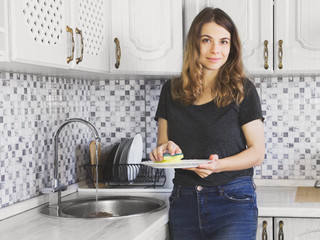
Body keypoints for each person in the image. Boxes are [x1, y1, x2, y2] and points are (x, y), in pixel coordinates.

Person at [149, 7, 265, 240]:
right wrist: (164, 151)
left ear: (232, 47)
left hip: (233, 201)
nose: (215, 50)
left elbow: (257, 153)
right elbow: (164, 144)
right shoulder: (170, 90)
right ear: (194, 44)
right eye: (206, 40)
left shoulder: (243, 90)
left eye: (223, 41)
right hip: (185, 200)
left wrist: (217, 166)